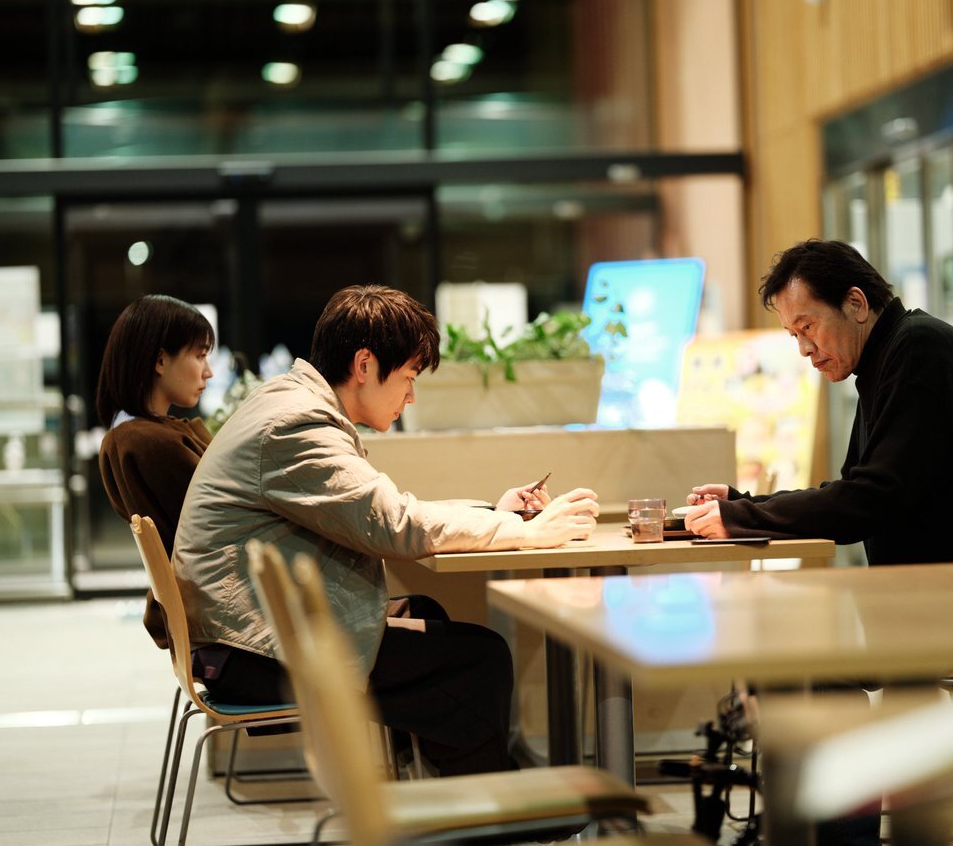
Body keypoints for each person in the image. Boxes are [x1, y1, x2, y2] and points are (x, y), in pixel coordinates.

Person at [175, 284, 599, 776]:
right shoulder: (297, 424)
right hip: (253, 654)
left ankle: (451, 797)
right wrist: (526, 533)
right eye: (408, 377)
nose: (411, 396)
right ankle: (489, 807)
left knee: (430, 618)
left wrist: (496, 514)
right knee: (479, 660)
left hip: (248, 638)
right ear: (364, 365)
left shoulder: (290, 401)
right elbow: (395, 524)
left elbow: (384, 513)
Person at [685, 238, 953, 573]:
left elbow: (871, 500)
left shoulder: (921, 349)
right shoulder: (885, 358)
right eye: (794, 334)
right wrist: (743, 504)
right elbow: (852, 489)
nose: (804, 349)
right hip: (951, 596)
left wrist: (742, 515)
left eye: (808, 327)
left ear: (856, 304)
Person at [97, 295, 215, 649]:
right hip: (224, 623)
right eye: (199, 355)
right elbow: (227, 517)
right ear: (161, 360)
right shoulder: (148, 443)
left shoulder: (130, 436)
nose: (208, 371)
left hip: (206, 619)